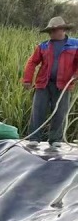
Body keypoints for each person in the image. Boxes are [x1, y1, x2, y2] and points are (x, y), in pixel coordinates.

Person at [23, 16, 78, 144]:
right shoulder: (43, 46)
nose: (51, 33)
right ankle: (34, 138)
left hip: (64, 85)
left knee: (60, 112)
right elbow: (32, 62)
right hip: (44, 83)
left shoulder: (75, 45)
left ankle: (55, 140)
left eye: (54, 30)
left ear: (62, 30)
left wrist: (76, 74)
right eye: (50, 31)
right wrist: (27, 79)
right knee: (38, 111)